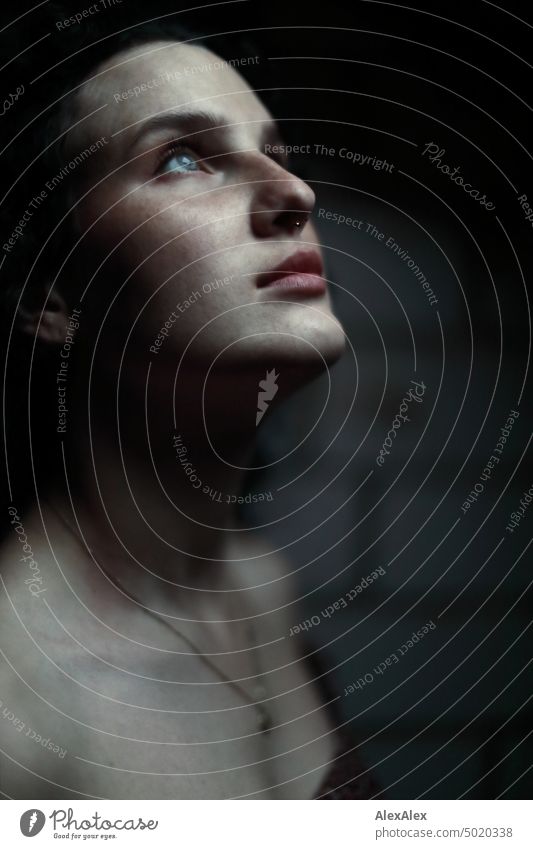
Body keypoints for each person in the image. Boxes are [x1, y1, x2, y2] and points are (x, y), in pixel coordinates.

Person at [0, 13, 378, 799]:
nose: (294, 192)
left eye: (273, 153)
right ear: (54, 294)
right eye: (181, 158)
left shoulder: (261, 585)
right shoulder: (22, 707)